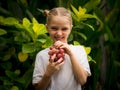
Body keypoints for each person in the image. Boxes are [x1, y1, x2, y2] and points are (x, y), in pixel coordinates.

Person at [32, 7, 91, 90]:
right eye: (54, 28)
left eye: (64, 29)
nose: (59, 33)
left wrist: (71, 54)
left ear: (71, 28)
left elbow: (82, 80)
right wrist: (48, 74)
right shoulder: (41, 56)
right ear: (47, 28)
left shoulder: (79, 51)